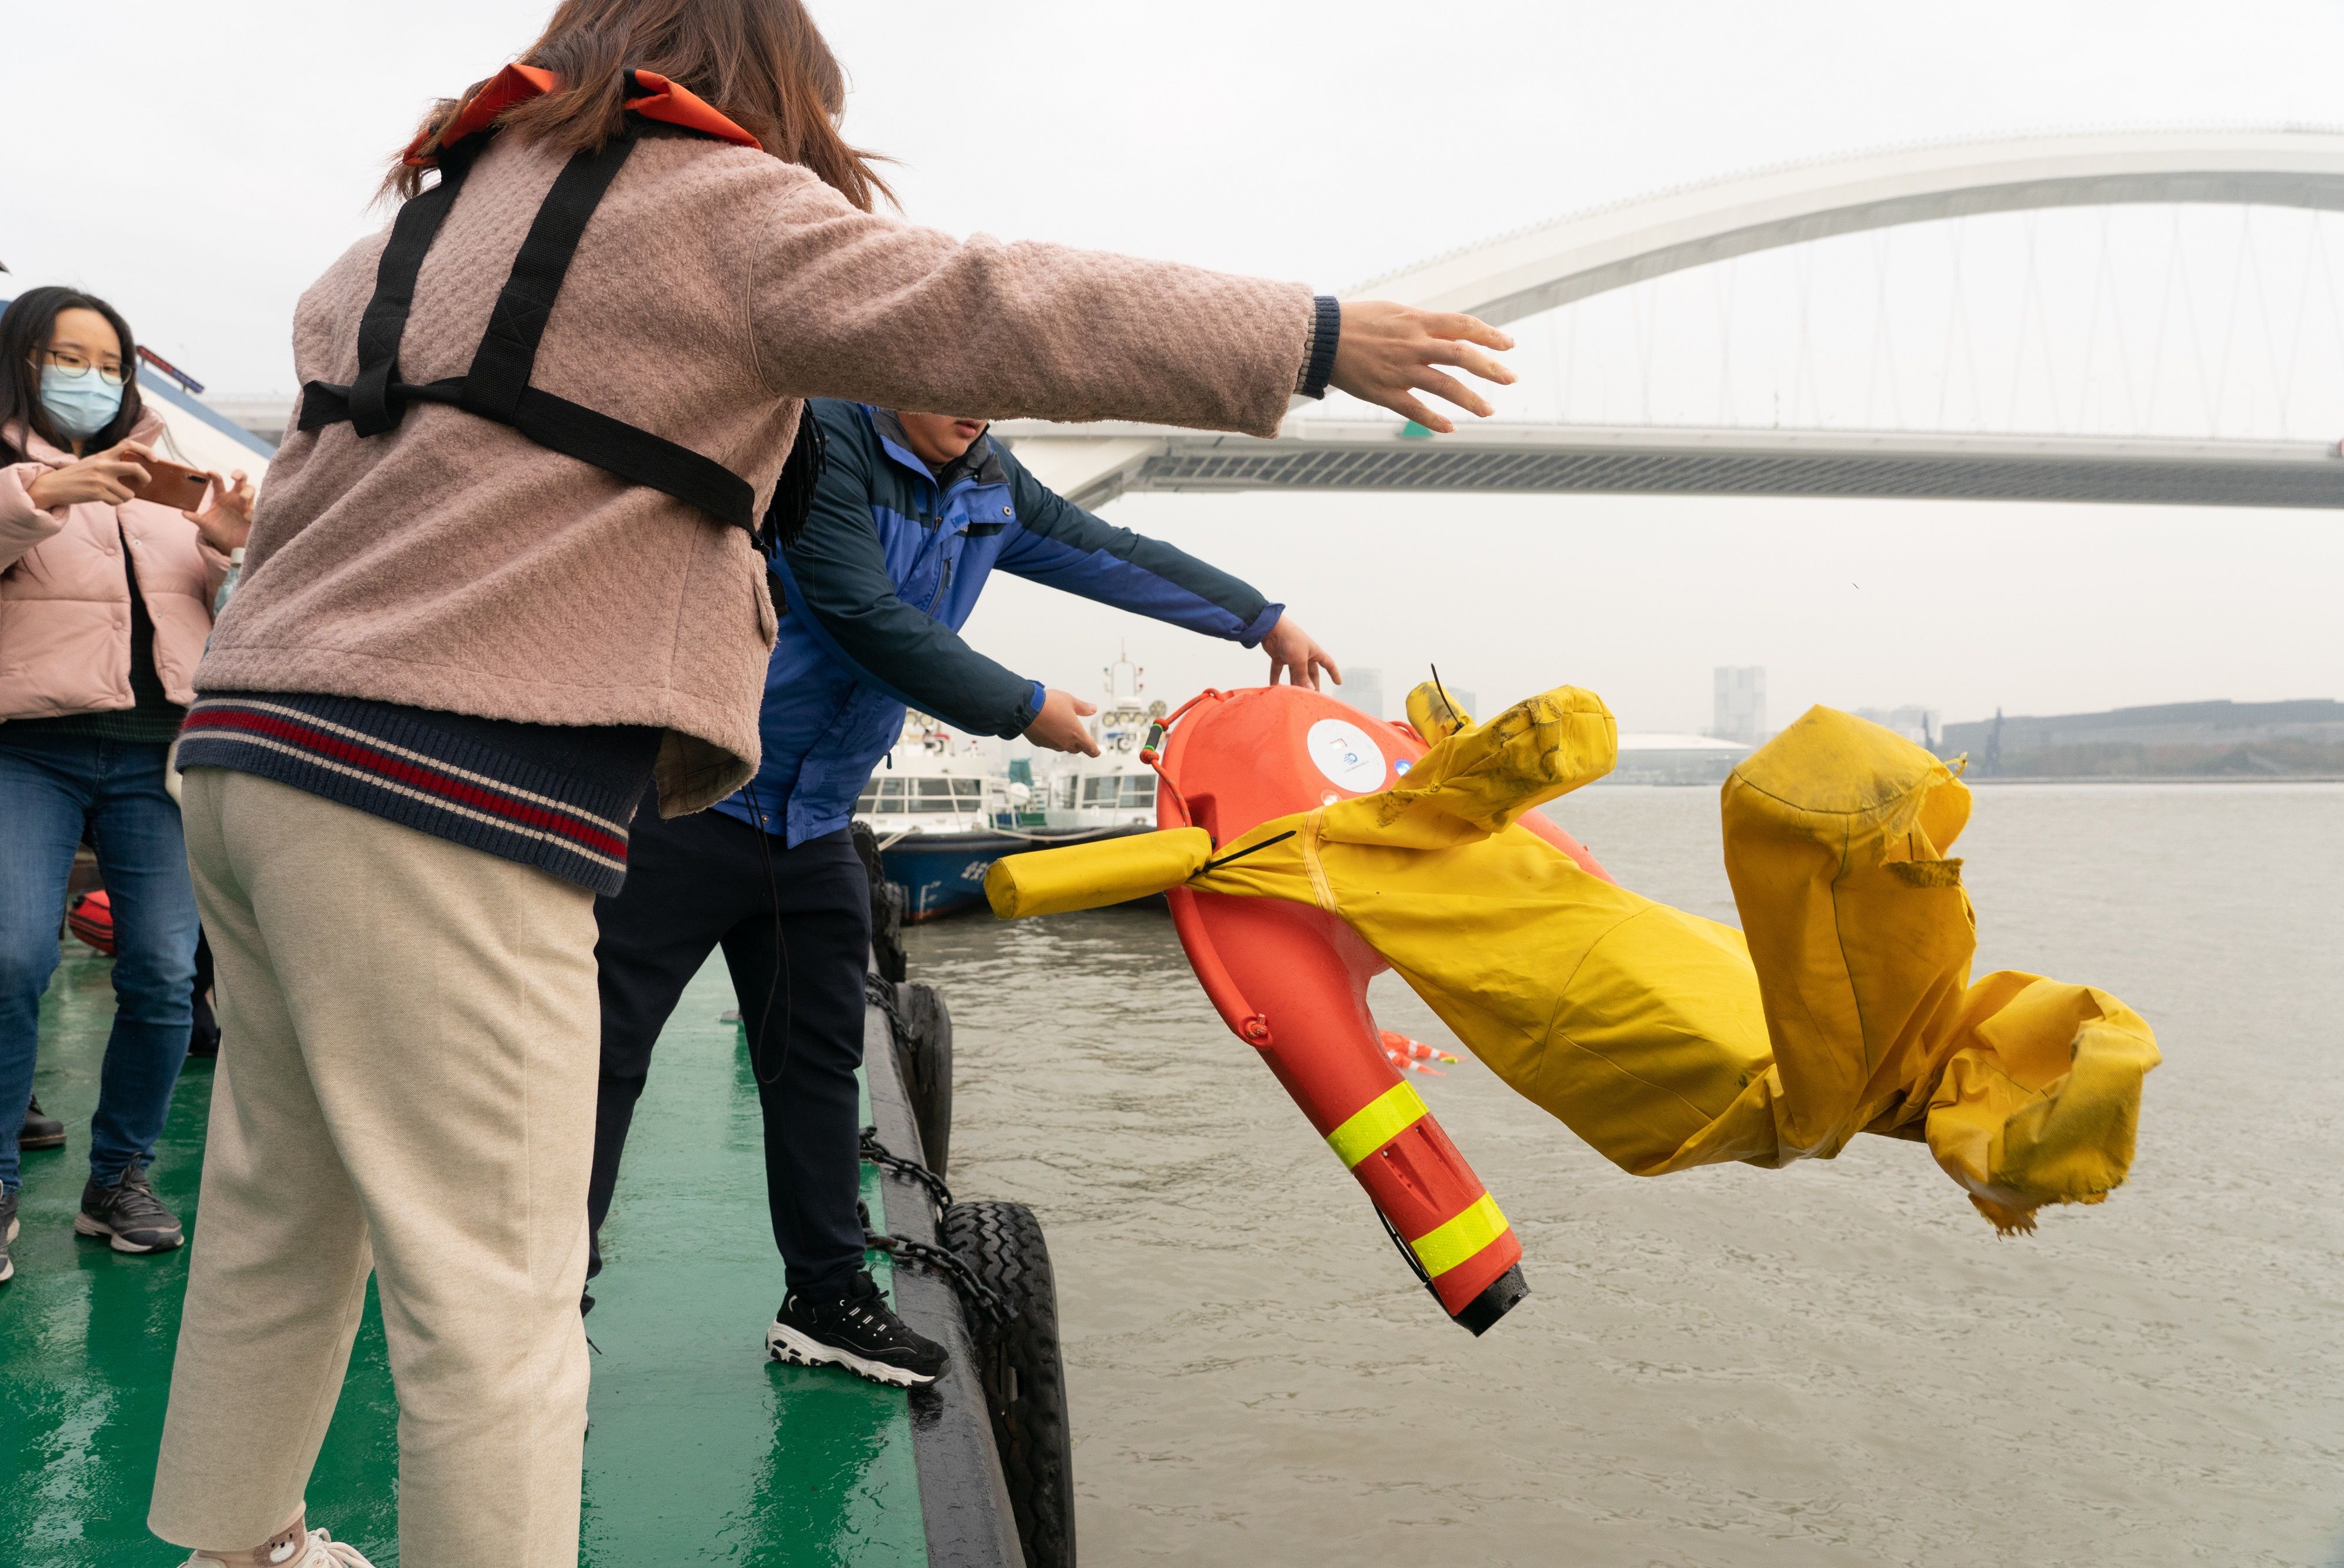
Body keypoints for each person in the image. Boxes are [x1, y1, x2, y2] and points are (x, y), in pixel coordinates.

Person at [146, 2, 1514, 1563]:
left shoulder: (420, 225)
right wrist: (1313, 336)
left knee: (278, 1200)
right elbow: (997, 305)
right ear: (773, 85)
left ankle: (241, 1541)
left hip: (250, 751)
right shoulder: (714, 212)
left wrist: (1248, 609)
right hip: (452, 785)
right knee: (501, 1299)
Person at [586, 398, 1340, 1385]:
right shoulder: (819, 443)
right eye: (952, 377)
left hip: (816, 824)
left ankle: (824, 1298)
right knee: (601, 1054)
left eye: (995, 388)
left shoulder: (988, 480)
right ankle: (548, 1301)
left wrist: (1259, 617)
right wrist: (1022, 707)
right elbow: (858, 611)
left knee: (816, 1062)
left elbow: (1106, 549)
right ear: (898, 357)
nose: (976, 407)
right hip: (696, 794)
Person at [0, 286, 254, 1290]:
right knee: (13, 953)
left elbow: (217, 624)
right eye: (69, 358)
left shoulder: (163, 479)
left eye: (109, 364)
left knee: (160, 970)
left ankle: (120, 1179)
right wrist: (42, 494)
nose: (92, 380)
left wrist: (226, 550)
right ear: (21, 360)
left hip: (159, 752)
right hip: (27, 747)